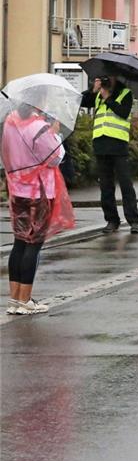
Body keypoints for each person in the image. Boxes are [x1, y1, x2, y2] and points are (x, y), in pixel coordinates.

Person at [2, 105, 74, 314]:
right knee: (33, 244)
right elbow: (55, 158)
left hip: (17, 190)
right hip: (40, 192)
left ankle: (15, 299)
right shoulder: (40, 128)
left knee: (19, 242)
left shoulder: (9, 124)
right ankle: (26, 300)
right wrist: (57, 134)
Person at [81, 75, 138, 233]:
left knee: (126, 185)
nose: (107, 81)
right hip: (101, 144)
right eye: (104, 78)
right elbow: (80, 101)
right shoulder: (98, 94)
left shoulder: (125, 93)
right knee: (105, 186)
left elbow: (123, 112)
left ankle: (134, 221)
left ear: (117, 79)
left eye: (109, 78)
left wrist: (108, 98)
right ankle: (112, 220)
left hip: (118, 145)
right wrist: (92, 90)